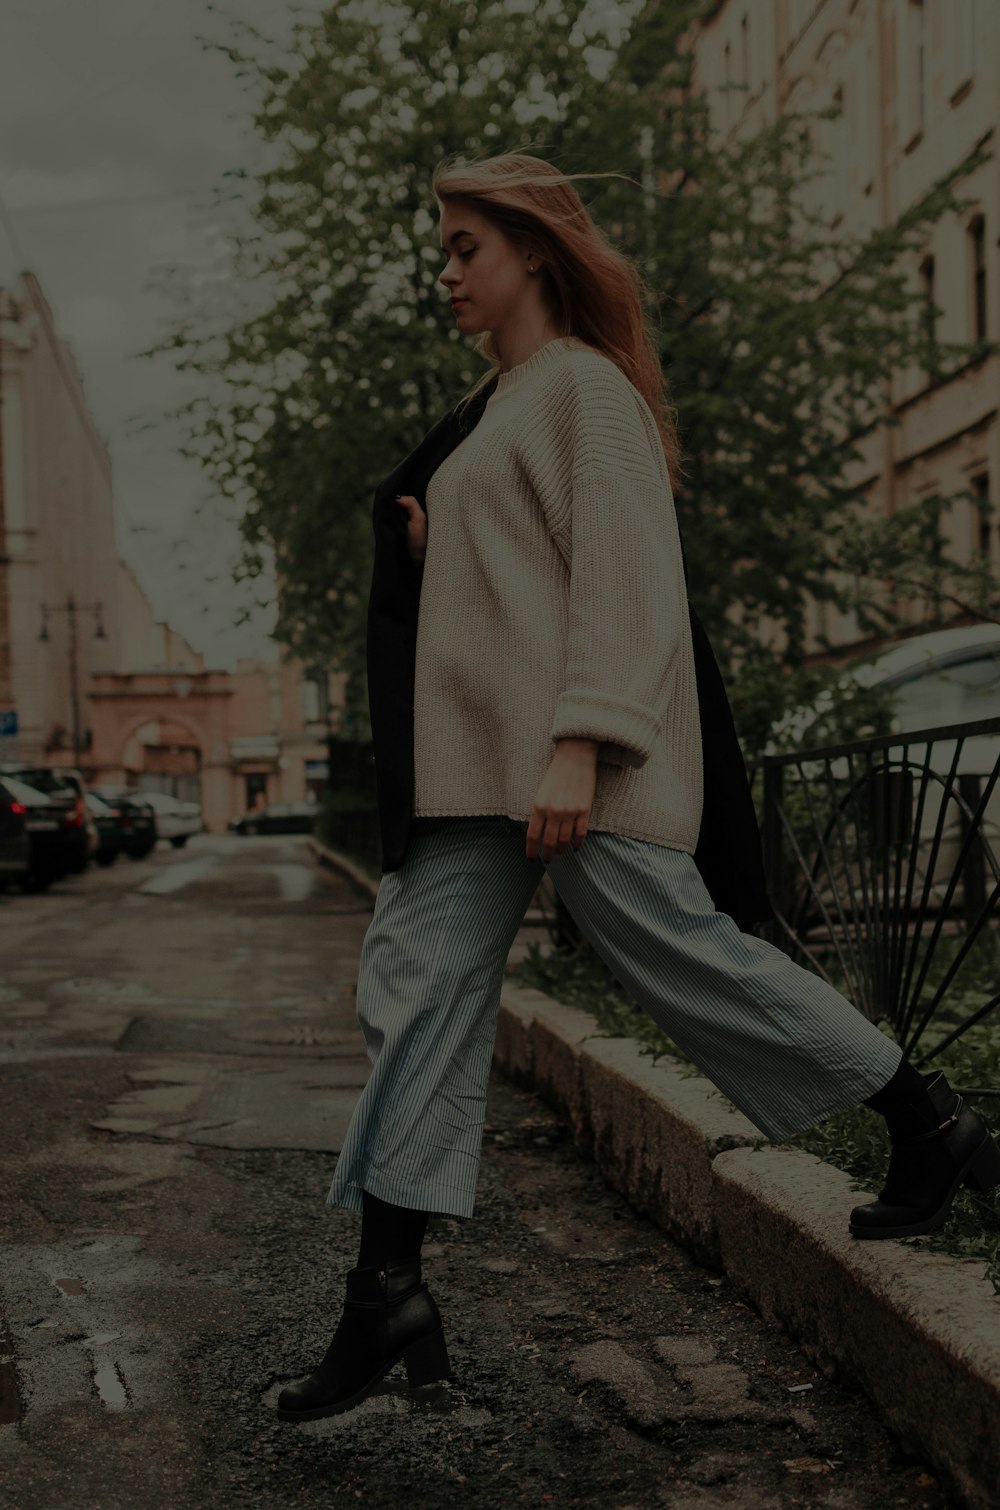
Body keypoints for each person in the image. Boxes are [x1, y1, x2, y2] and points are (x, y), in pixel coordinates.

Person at [276, 152, 1000, 1424]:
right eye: (440, 249)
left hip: (561, 761)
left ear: (534, 256)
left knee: (684, 955)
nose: (442, 271)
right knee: (412, 991)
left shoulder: (581, 391)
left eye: (464, 249)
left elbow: (628, 580)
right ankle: (384, 1293)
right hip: (466, 780)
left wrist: (584, 743)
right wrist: (438, 543)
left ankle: (931, 1120)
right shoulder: (492, 408)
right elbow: (513, 581)